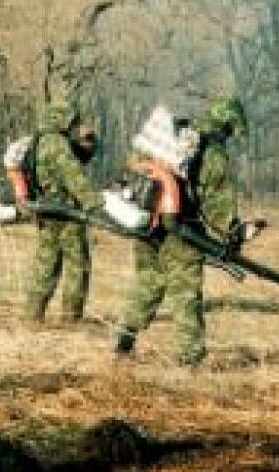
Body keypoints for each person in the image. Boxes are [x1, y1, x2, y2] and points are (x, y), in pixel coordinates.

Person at [114, 96, 247, 366]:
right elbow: (217, 203)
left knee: (148, 282)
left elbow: (137, 166)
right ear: (228, 125)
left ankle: (124, 342)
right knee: (185, 294)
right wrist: (233, 235)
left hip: (147, 223)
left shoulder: (172, 137)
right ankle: (190, 359)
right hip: (181, 230)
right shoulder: (212, 153)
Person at [26, 100, 103, 323]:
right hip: (66, 212)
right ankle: (71, 317)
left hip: (47, 209)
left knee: (46, 262)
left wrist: (89, 142)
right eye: (73, 120)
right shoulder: (57, 144)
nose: (75, 124)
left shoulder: (40, 140)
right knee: (78, 264)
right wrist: (95, 203)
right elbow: (73, 176)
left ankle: (33, 313)